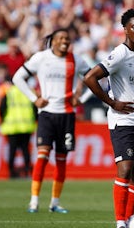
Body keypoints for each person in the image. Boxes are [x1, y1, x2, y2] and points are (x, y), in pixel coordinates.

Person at [82, 9, 134, 228]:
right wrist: (113, 102)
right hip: (122, 122)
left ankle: (131, 222)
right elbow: (90, 77)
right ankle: (120, 225)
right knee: (124, 169)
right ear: (125, 29)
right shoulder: (119, 54)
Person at [12, 28, 91, 213]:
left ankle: (54, 202)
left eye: (67, 38)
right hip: (47, 114)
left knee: (61, 160)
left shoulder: (76, 60)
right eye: (61, 38)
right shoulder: (41, 58)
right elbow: (17, 78)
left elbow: (97, 81)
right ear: (53, 41)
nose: (65, 41)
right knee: (42, 156)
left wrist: (81, 99)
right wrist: (34, 99)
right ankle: (34, 201)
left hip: (67, 116)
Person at [0, 65, 37, 179]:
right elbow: (35, 107)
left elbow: (2, 108)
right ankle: (28, 170)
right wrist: (35, 120)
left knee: (12, 149)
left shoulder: (9, 92)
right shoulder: (29, 92)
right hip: (26, 125)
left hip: (11, 126)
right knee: (25, 149)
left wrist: (2, 120)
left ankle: (11, 171)